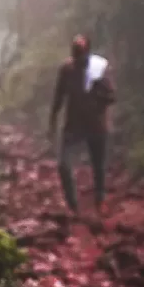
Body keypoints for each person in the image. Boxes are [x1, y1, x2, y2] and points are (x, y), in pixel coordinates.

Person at [48, 35, 115, 215]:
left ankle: (100, 200)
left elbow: (111, 96)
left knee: (98, 165)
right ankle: (73, 205)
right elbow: (58, 96)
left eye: (80, 54)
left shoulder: (99, 69)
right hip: (73, 125)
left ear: (87, 52)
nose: (77, 58)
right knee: (63, 164)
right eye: (74, 53)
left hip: (96, 124)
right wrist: (52, 121)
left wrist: (93, 98)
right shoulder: (67, 69)